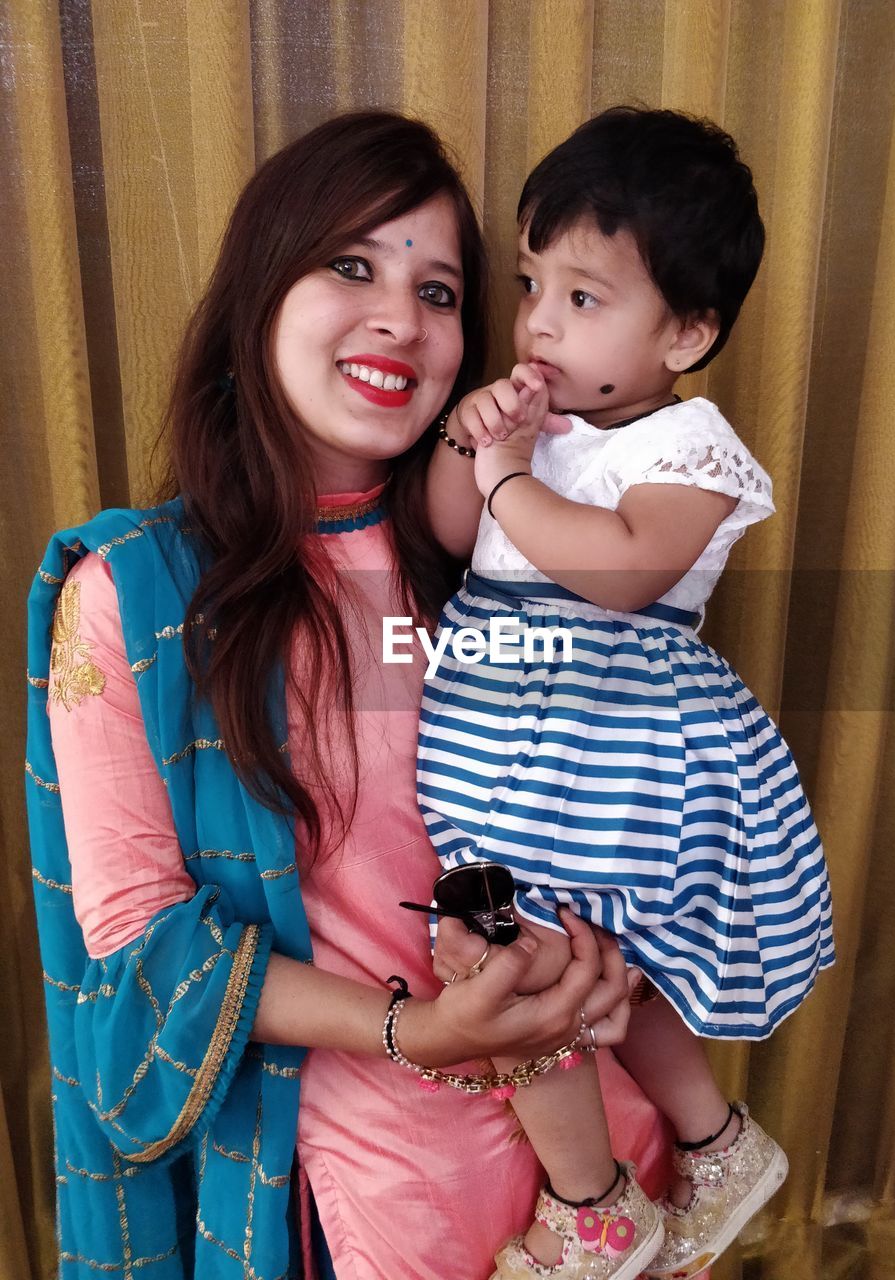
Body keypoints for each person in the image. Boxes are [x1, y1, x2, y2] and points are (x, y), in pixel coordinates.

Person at [25, 111, 675, 1280]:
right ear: (260, 291)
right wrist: (415, 1025)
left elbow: (614, 793)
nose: (399, 318)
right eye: (351, 266)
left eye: (438, 292)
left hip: (593, 1155)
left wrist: (612, 959)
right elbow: (142, 938)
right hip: (362, 1185)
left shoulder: (510, 549)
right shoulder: (136, 595)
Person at [415, 107, 836, 1280]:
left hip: (607, 745)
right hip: (514, 735)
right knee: (573, 955)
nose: (540, 322)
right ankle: (714, 1141)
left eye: (584, 299)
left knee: (513, 957)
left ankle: (592, 1206)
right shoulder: (533, 432)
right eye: (532, 282)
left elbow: (621, 574)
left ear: (689, 333)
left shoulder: (690, 446)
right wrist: (471, 444)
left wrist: (508, 474)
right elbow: (454, 536)